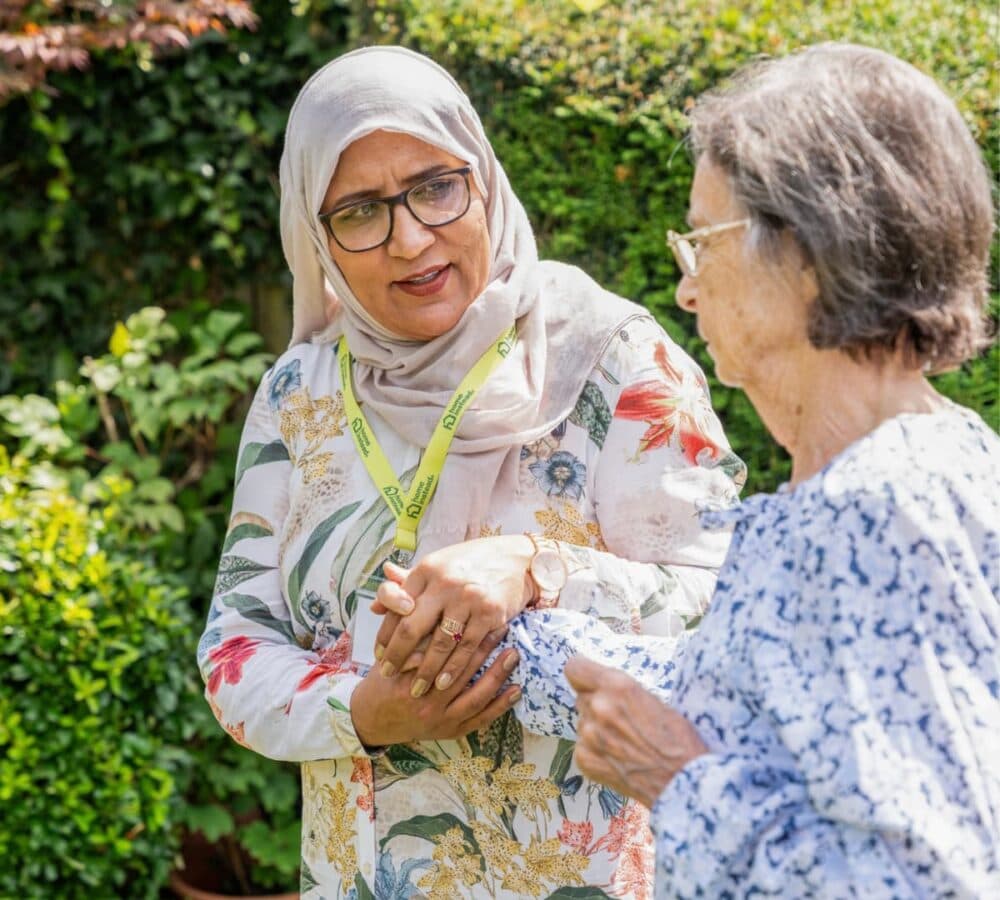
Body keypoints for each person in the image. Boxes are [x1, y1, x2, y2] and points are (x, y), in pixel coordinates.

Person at [197, 46, 744, 898]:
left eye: (434, 186)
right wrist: (359, 712)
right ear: (316, 231)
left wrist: (540, 568)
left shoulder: (612, 360)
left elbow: (725, 608)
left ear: (482, 175)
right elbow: (235, 647)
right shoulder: (295, 397)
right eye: (359, 212)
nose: (410, 237)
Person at [515, 42, 999, 898]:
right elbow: (755, 709)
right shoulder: (912, 466)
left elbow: (929, 881)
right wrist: (519, 633)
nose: (688, 288)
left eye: (704, 239)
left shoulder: (874, 511)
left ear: (810, 254)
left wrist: (678, 782)